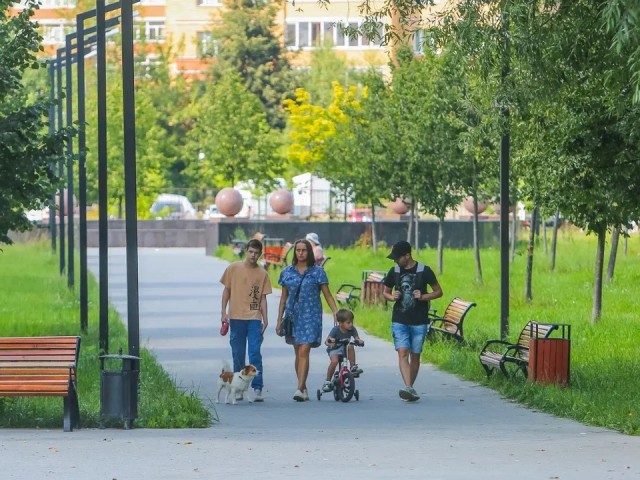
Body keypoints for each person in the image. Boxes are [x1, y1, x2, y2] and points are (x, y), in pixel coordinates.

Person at [276, 238, 338, 401]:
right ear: (295, 252)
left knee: (304, 351)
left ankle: (299, 389)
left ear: (309, 252)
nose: (301, 253)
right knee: (298, 353)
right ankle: (303, 387)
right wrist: (278, 321)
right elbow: (283, 298)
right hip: (292, 316)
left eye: (304, 250)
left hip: (311, 316)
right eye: (298, 250)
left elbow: (327, 294)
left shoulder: (317, 272)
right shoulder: (287, 272)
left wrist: (335, 311)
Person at [382, 240, 443, 402]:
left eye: (397, 257)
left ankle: (409, 387)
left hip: (419, 320)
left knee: (415, 355)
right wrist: (391, 296)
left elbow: (438, 292)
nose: (395, 261)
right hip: (399, 319)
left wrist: (423, 297)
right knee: (403, 352)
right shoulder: (394, 271)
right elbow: (385, 292)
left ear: (407, 255)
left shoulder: (424, 270)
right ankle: (408, 387)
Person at [220, 238, 272, 402]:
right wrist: (223, 312)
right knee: (237, 353)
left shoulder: (262, 273)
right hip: (235, 316)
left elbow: (263, 298)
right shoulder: (233, 268)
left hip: (254, 317)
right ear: (246, 251)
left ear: (259, 254)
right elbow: (226, 291)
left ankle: (257, 387)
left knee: (255, 351)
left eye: (256, 253)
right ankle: (239, 387)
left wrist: (266, 318)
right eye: (251, 251)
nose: (253, 255)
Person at [322, 309, 365, 392]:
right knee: (334, 362)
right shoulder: (336, 330)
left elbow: (357, 338)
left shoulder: (352, 329)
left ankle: (353, 367)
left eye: (352, 322)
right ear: (341, 323)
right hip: (334, 349)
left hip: (344, 349)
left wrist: (359, 341)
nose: (351, 324)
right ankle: (327, 381)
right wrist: (331, 341)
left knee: (351, 346)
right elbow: (327, 341)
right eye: (348, 323)